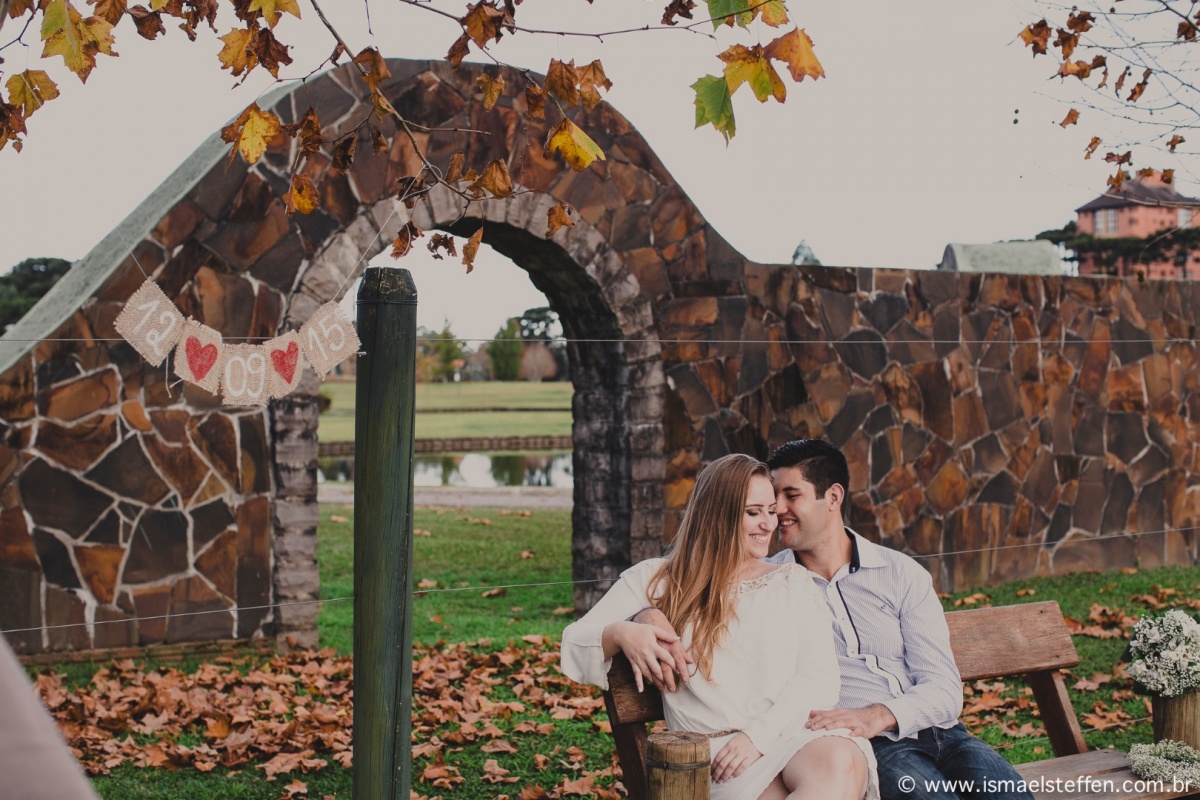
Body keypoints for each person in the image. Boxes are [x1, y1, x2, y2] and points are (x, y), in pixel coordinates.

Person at [636, 439, 1033, 800]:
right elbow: (669, 587)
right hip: (863, 748)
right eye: (772, 499)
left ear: (833, 497)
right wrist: (645, 614)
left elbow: (944, 688)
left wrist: (878, 715)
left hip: (944, 734)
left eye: (791, 495)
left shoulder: (900, 573)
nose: (777, 511)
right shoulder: (767, 584)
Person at [561, 453, 878, 800]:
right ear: (718, 514)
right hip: (715, 755)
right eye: (753, 512)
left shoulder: (792, 583)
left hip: (787, 734)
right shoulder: (657, 579)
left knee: (841, 759)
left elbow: (819, 677)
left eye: (771, 511)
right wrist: (624, 632)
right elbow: (574, 642)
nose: (768, 524)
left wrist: (758, 738)